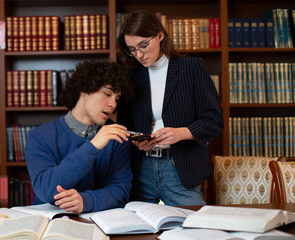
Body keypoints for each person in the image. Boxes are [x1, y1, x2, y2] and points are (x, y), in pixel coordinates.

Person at [116, 10, 224, 206]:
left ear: (160, 35)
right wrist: (135, 141)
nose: (139, 54)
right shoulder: (131, 75)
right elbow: (123, 125)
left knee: (192, 230)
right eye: (131, 49)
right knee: (138, 233)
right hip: (141, 168)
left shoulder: (192, 68)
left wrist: (182, 133)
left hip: (179, 167)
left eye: (143, 45)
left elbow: (214, 120)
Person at [25, 60, 133, 213]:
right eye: (107, 94)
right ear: (84, 89)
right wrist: (93, 146)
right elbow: (47, 190)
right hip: (50, 222)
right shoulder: (40, 136)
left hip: (98, 221)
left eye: (116, 98)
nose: (113, 104)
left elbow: (120, 190)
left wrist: (86, 201)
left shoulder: (116, 135)